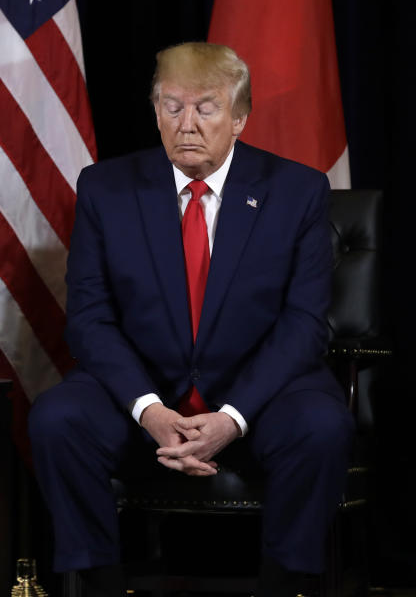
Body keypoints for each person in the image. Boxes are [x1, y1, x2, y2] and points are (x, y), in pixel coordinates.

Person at [28, 42, 353, 597]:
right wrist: (149, 409)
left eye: (206, 107)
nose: (187, 124)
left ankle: (285, 586)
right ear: (155, 113)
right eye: (172, 106)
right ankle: (101, 583)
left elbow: (304, 323)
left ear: (239, 118)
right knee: (58, 420)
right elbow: (88, 317)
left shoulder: (297, 191)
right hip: (144, 393)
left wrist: (232, 416)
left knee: (321, 427)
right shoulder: (105, 189)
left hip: (259, 397)